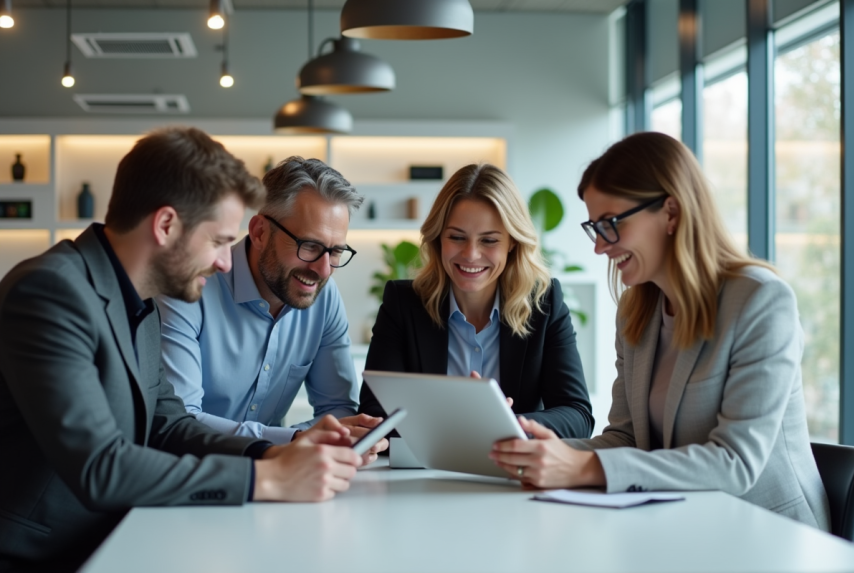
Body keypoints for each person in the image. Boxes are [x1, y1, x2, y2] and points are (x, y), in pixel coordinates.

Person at [0, 128, 367, 573]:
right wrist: (265, 479)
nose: (225, 262)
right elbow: (101, 467)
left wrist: (272, 454)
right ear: (166, 225)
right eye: (217, 241)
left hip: (118, 536)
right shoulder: (50, 291)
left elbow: (169, 424)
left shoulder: (140, 301)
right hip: (41, 554)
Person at [490, 132, 829, 530]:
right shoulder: (638, 313)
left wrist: (584, 466)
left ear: (670, 212)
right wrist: (539, 453)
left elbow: (735, 464)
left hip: (771, 535)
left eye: (611, 224)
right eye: (594, 228)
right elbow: (626, 439)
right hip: (683, 526)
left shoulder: (761, 302)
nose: (600, 247)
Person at [157, 156, 386, 451]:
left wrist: (320, 439)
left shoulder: (324, 298)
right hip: (189, 474)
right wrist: (294, 440)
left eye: (336, 252)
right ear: (260, 233)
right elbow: (180, 421)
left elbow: (338, 408)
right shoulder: (189, 287)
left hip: (279, 474)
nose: (324, 269)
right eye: (310, 246)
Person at [360, 163, 594, 439]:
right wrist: (464, 422)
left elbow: (577, 415)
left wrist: (506, 423)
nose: (471, 254)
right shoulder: (403, 303)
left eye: (489, 240)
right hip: (422, 474)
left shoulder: (544, 304)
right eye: (457, 237)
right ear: (438, 239)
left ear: (512, 243)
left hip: (512, 475)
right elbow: (374, 412)